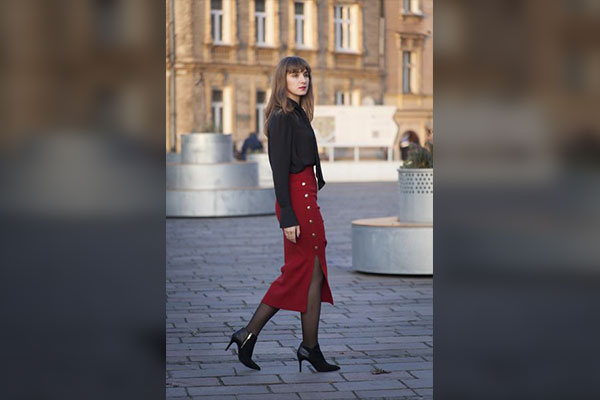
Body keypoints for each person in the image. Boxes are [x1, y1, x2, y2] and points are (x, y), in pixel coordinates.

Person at [225, 56, 340, 373]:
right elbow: (278, 171)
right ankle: (250, 333)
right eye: (294, 74)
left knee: (313, 273)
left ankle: (309, 347)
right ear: (282, 80)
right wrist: (287, 217)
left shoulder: (299, 114)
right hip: (296, 201)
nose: (302, 79)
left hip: (307, 197)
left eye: (305, 74)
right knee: (299, 273)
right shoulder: (281, 117)